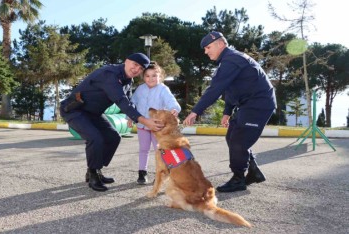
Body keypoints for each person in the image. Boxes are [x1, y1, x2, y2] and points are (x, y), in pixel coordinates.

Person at [183, 31, 277, 193]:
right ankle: (253, 171)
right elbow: (232, 89)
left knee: (238, 141)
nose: (206, 52)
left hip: (258, 104)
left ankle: (238, 179)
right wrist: (227, 112)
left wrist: (195, 111)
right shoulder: (229, 59)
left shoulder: (231, 60)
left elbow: (215, 89)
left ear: (220, 44)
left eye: (208, 47)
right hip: (248, 104)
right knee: (232, 135)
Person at [60, 53, 164, 192]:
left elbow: (129, 103)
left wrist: (133, 117)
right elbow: (121, 101)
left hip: (93, 113)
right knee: (95, 138)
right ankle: (92, 174)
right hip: (75, 110)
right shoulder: (109, 74)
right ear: (126, 61)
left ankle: (96, 169)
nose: (136, 69)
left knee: (113, 137)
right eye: (134, 64)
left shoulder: (128, 80)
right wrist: (144, 121)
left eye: (140, 68)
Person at [127, 62, 181, 185]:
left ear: (160, 76)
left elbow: (171, 101)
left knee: (160, 151)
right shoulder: (140, 89)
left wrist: (174, 109)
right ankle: (142, 172)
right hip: (142, 126)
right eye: (147, 76)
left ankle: (161, 173)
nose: (151, 79)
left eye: (154, 76)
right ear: (143, 77)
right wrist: (130, 117)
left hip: (158, 127)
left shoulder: (163, 89)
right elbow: (132, 104)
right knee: (143, 149)